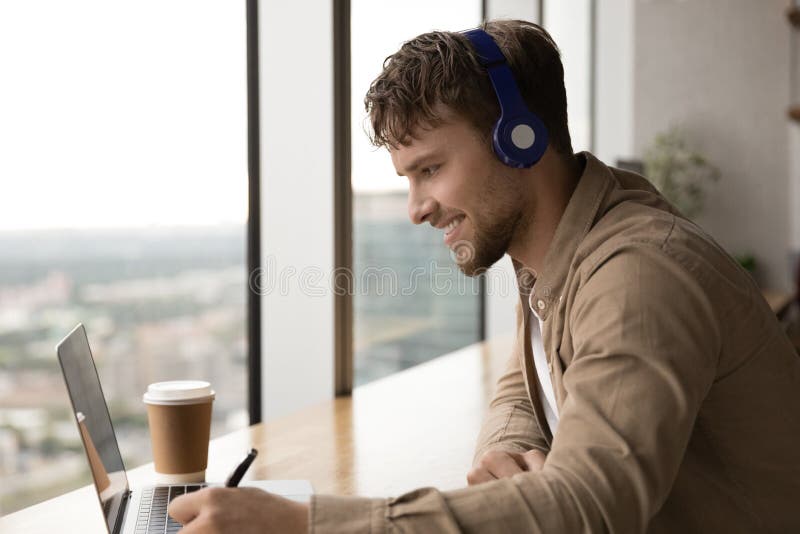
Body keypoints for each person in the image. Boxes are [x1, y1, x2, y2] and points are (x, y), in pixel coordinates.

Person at [168, 19, 800, 533]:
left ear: (517, 139)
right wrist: (506, 447)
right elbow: (523, 386)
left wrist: (302, 526)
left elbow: (590, 505)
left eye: (430, 169)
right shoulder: (557, 254)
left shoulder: (637, 275)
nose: (416, 208)